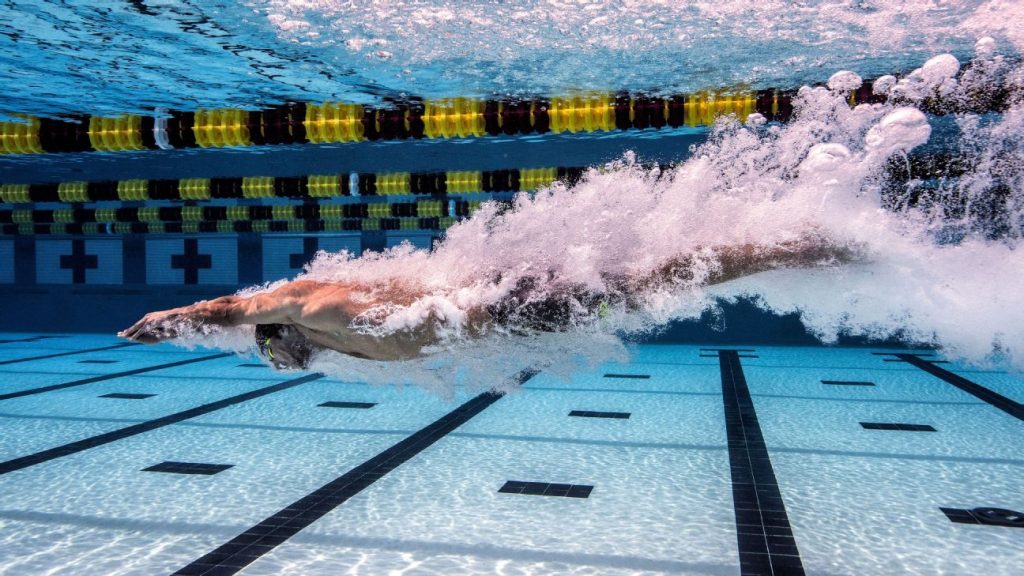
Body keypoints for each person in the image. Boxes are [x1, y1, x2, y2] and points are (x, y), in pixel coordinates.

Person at [119, 235, 856, 369]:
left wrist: (167, 322)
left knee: (668, 280)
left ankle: (800, 247)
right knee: (662, 280)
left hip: (514, 306)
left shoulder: (309, 309)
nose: (293, 360)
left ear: (283, 333)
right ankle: (800, 249)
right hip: (512, 308)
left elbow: (232, 311)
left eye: (281, 352)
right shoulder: (343, 343)